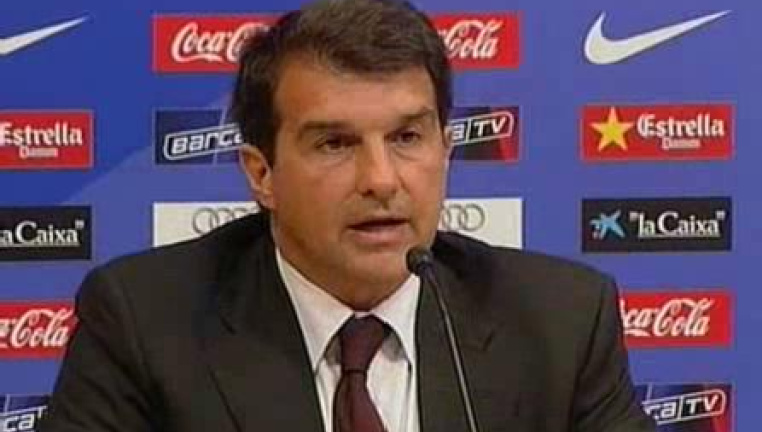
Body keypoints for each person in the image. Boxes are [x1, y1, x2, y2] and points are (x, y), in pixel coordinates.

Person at [39, 0, 656, 431]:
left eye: (407, 138)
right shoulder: (146, 323)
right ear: (261, 174)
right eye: (335, 144)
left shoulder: (559, 321)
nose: (381, 180)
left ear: (445, 150)